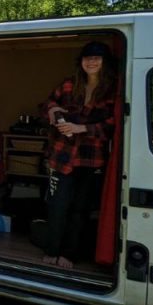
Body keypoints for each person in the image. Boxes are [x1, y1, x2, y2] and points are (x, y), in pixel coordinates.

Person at [37, 41, 116, 269]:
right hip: (61, 156)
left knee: (80, 210)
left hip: (91, 159)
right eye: (87, 58)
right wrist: (53, 111)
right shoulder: (70, 84)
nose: (91, 62)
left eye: (96, 58)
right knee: (57, 206)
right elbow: (46, 104)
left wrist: (82, 129)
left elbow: (113, 125)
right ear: (80, 62)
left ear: (105, 62)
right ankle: (52, 251)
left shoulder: (113, 90)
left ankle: (68, 255)